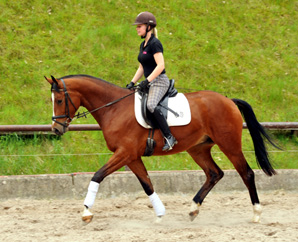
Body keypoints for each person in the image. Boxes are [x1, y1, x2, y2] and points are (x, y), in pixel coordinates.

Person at [126, 11, 177, 151]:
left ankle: (169, 137)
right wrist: (132, 82)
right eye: (137, 26)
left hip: (159, 81)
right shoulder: (143, 45)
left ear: (148, 27)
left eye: (139, 26)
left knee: (151, 105)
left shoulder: (155, 43)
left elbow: (161, 65)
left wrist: (147, 81)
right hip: (150, 81)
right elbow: (142, 66)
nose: (137, 28)